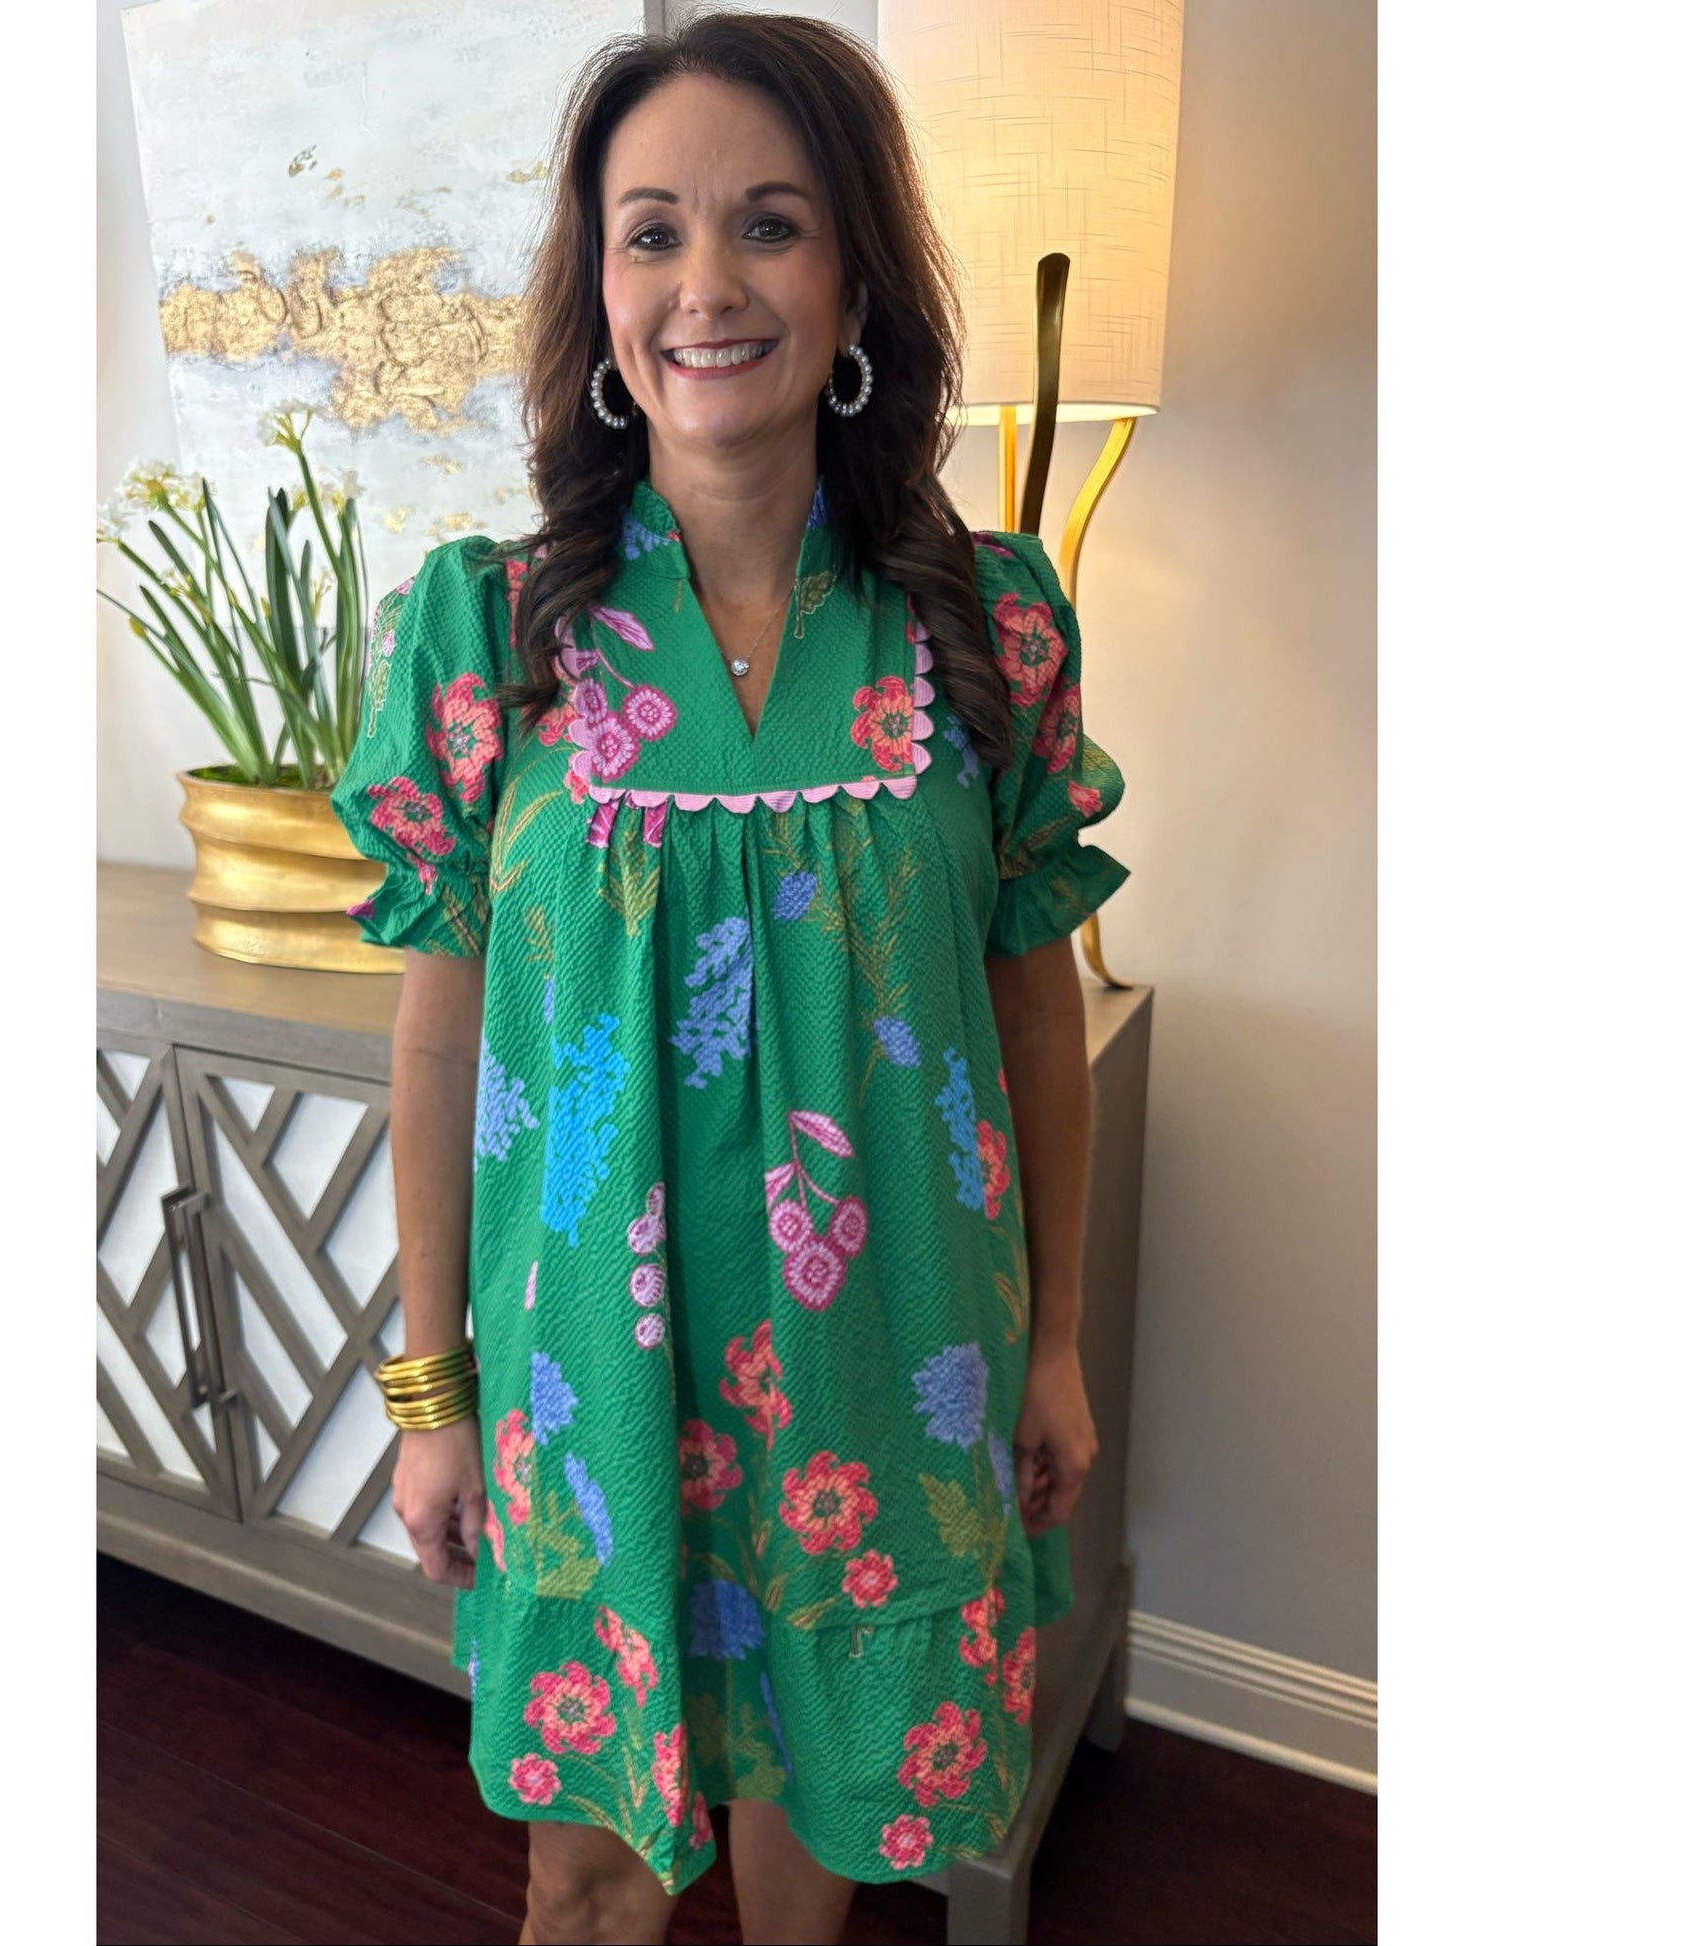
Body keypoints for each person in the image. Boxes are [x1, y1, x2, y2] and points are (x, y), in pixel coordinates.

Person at [329, 14, 1128, 1944]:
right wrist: (429, 1387)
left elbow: (1037, 1010)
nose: (706, 284)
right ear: (597, 286)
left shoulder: (986, 627)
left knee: (821, 1850)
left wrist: (1045, 1342)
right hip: (585, 1388)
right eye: (649, 233)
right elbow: (438, 1042)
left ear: (851, 272)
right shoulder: (485, 632)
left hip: (888, 1381)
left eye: (769, 225)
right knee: (587, 1872)